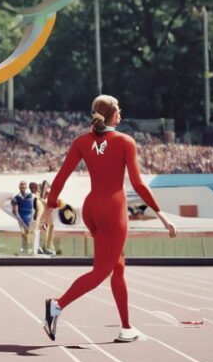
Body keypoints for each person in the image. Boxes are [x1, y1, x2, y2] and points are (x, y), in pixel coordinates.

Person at [41, 95, 176, 343]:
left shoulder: (81, 141)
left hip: (91, 208)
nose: (121, 113)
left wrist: (49, 206)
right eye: (119, 111)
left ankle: (126, 327)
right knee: (101, 271)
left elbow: (61, 177)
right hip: (113, 210)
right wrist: (161, 213)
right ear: (114, 116)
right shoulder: (125, 141)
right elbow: (137, 183)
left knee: (118, 267)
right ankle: (57, 305)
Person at [10, 181, 34, 255]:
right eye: (21, 186)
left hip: (30, 218)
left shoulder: (30, 196)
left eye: (24, 186)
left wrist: (32, 219)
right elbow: (16, 212)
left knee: (29, 233)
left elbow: (33, 208)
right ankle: (24, 248)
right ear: (19, 187)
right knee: (23, 233)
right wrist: (22, 223)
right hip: (21, 218)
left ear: (26, 187)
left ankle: (29, 248)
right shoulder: (16, 198)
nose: (23, 187)